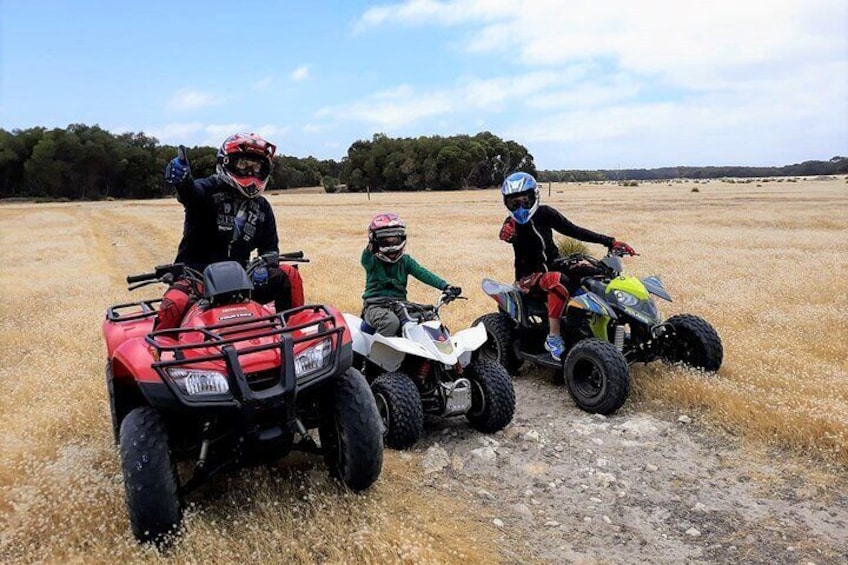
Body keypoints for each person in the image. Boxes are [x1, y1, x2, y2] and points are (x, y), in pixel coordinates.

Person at [156, 132, 304, 329]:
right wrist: (183, 182)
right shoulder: (209, 188)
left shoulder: (262, 207)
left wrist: (265, 264)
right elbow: (191, 194)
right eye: (244, 164)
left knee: (288, 275)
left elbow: (270, 249)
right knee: (174, 304)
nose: (251, 171)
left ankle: (293, 335)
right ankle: (159, 356)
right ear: (227, 162)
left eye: (257, 166)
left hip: (243, 277)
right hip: (196, 276)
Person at [498, 172, 636, 360]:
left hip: (553, 265)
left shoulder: (545, 213)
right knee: (558, 280)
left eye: (525, 200)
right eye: (514, 203)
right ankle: (553, 337)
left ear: (534, 196)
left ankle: (607, 322)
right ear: (507, 203)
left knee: (593, 270)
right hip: (528, 278)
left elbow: (574, 230)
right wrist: (506, 233)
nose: (521, 207)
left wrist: (610, 242)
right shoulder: (511, 223)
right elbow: (506, 232)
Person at [361, 212, 461, 336]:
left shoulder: (405, 261)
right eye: (385, 241)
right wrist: (370, 247)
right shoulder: (372, 261)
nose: (392, 246)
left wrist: (446, 286)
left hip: (400, 304)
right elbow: (365, 259)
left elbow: (423, 273)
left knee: (428, 318)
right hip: (375, 305)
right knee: (390, 323)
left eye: (396, 240)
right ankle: (375, 355)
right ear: (375, 242)